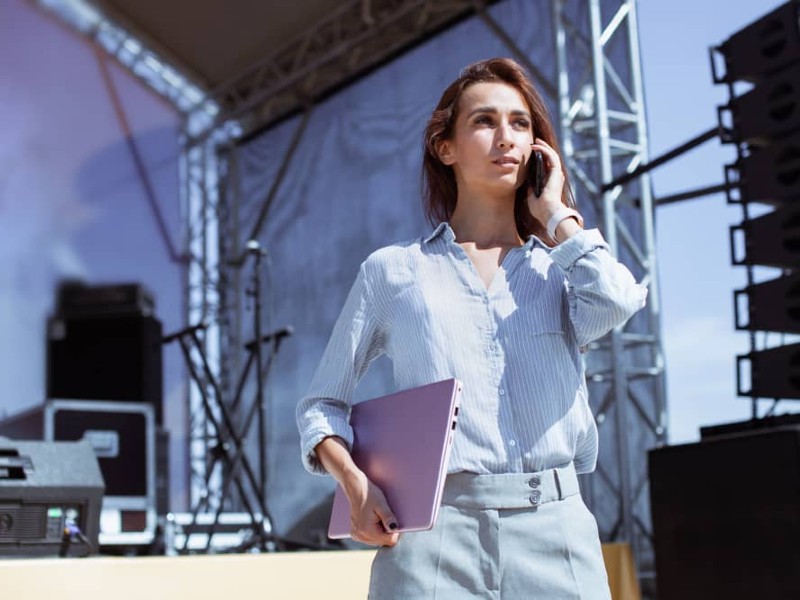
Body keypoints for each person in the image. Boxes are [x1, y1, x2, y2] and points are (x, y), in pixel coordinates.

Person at [296, 57, 647, 599]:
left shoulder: (562, 269)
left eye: (521, 123)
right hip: (434, 538)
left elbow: (620, 300)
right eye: (485, 121)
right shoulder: (393, 271)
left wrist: (557, 214)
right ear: (446, 147)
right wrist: (355, 484)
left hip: (556, 532)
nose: (506, 137)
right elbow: (321, 405)